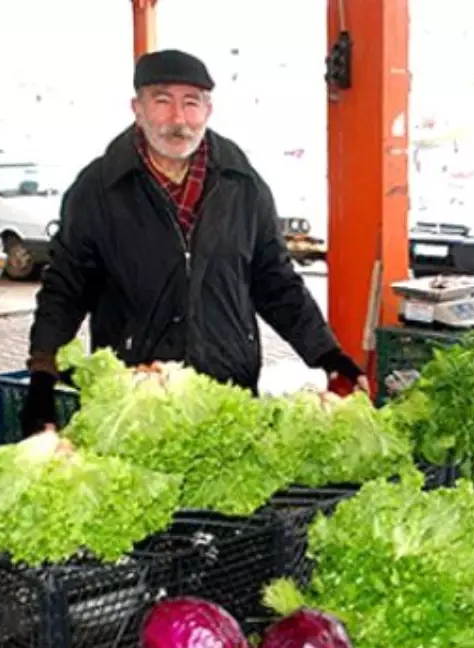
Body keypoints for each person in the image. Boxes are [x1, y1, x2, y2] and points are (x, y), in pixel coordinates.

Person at [20, 49, 366, 437]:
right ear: (138, 108)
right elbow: (65, 289)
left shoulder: (243, 186)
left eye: (191, 103)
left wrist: (328, 355)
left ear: (208, 110)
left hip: (228, 391)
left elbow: (276, 282)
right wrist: (43, 371)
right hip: (137, 400)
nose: (178, 120)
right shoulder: (97, 190)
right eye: (162, 101)